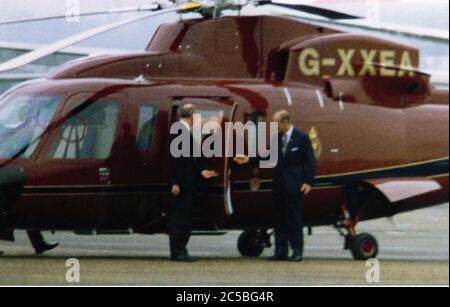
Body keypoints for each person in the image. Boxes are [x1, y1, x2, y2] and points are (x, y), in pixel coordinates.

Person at [234, 110, 317, 262]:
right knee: (279, 220)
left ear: (285, 122)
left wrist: (308, 182)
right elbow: (266, 157)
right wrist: (248, 159)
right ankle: (281, 252)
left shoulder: (302, 138)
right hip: (279, 186)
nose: (275, 126)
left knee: (294, 220)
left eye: (277, 123)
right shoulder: (276, 138)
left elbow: (310, 161)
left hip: (295, 186)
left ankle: (297, 251)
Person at [169, 104, 218, 262]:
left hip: (188, 182)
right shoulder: (179, 130)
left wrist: (200, 172)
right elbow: (175, 160)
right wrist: (175, 182)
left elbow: (188, 160)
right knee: (180, 218)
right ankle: (178, 251)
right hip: (182, 184)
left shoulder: (184, 131)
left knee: (184, 217)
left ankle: (180, 250)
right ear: (191, 117)